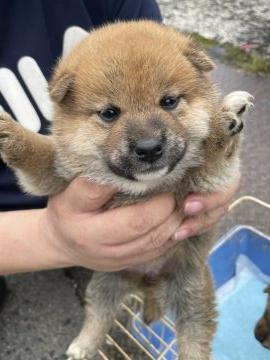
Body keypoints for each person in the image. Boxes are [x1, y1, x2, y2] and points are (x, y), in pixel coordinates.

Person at [0, 0, 239, 298]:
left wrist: (221, 148)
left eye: (168, 102)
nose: (148, 141)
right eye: (110, 114)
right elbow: (51, 167)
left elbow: (164, 57)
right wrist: (48, 238)